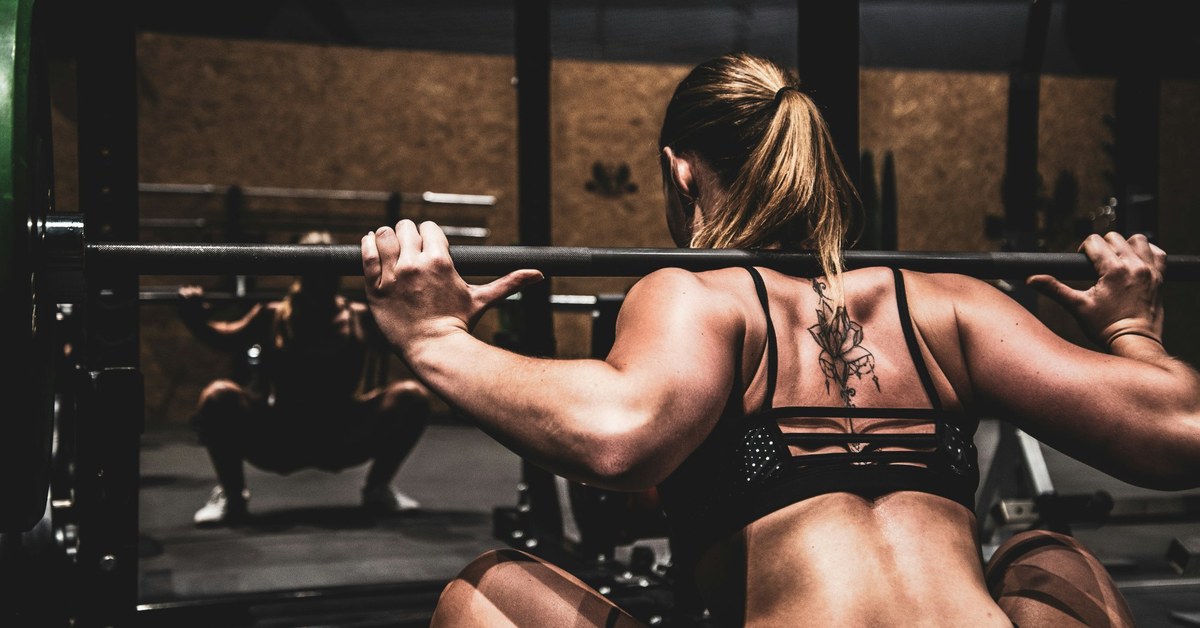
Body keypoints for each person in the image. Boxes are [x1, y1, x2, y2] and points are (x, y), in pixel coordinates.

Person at [360, 52, 1200, 627]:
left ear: (682, 170)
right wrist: (1130, 329)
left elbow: (618, 438)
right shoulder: (948, 307)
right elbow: (1179, 431)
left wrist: (435, 337)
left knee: (489, 592)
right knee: (1051, 557)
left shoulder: (697, 298)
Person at [179, 230, 431, 527]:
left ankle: (377, 489)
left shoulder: (359, 317)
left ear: (338, 274)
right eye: (314, 272)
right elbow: (222, 339)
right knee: (217, 396)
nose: (321, 280)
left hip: (342, 435)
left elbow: (409, 341)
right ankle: (232, 496)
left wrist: (410, 303)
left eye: (327, 272)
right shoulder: (271, 315)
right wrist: (194, 317)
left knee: (411, 397)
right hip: (281, 437)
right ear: (300, 272)